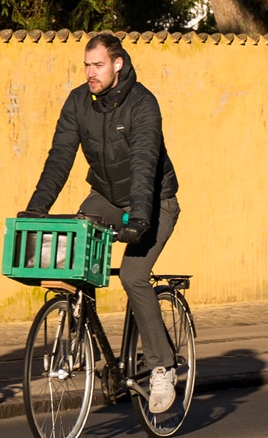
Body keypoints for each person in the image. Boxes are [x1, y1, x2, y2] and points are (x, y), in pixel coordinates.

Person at [21, 34, 182, 415]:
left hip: (155, 202)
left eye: (98, 65)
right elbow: (59, 158)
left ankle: (162, 367)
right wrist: (35, 210)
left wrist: (140, 219)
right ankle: (81, 339)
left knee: (132, 275)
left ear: (118, 64)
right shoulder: (79, 101)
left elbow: (144, 165)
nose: (91, 73)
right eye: (87, 65)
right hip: (107, 198)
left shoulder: (143, 104)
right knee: (74, 250)